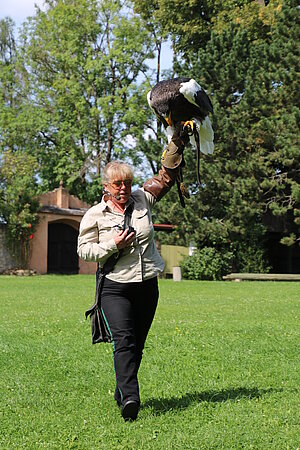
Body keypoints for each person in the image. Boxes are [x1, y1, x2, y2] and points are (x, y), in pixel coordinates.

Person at [77, 127, 188, 421]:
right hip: (115, 287)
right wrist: (112, 245)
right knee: (124, 340)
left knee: (136, 344)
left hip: (147, 285)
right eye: (117, 184)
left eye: (127, 183)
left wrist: (175, 143)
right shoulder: (94, 215)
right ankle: (131, 399)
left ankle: (121, 389)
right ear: (106, 186)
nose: (124, 189)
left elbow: (165, 179)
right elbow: (84, 250)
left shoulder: (142, 200)